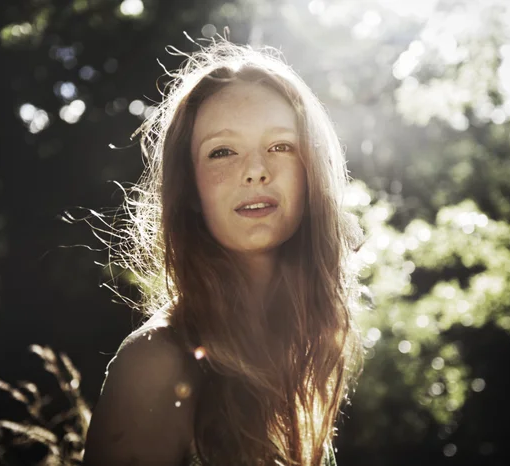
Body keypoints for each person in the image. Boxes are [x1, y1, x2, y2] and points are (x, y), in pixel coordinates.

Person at [82, 38, 364, 466]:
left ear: (312, 173)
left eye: (281, 146)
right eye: (223, 152)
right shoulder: (154, 364)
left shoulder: (303, 345)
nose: (255, 170)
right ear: (190, 189)